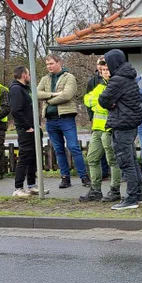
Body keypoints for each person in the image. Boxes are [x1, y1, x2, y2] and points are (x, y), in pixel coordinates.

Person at [98, 49, 142, 210]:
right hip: (130, 123)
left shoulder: (117, 80)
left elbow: (103, 100)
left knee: (125, 162)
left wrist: (112, 103)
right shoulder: (129, 77)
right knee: (132, 160)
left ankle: (131, 198)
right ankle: (138, 194)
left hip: (121, 124)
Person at [36, 53, 89, 189]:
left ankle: (84, 176)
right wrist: (53, 94)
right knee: (58, 150)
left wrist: (48, 100)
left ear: (59, 62)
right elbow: (36, 93)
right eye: (47, 64)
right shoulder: (45, 79)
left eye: (51, 63)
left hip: (66, 118)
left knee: (73, 147)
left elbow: (67, 95)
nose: (49, 66)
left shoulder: (69, 77)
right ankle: (65, 178)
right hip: (50, 120)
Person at [80, 58, 122, 203]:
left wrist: (99, 102)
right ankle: (95, 190)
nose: (105, 72)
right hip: (97, 128)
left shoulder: (115, 85)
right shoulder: (99, 86)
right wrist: (99, 102)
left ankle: (115, 190)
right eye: (103, 70)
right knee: (92, 158)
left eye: (107, 70)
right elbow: (87, 100)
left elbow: (106, 104)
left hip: (109, 128)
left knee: (112, 160)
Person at [8, 66, 44, 198]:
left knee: (33, 157)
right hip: (25, 130)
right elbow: (16, 110)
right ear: (24, 75)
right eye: (28, 74)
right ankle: (18, 188)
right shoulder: (16, 89)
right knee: (24, 158)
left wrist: (37, 125)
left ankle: (31, 185)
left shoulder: (25, 89)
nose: (29, 76)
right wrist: (28, 126)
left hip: (33, 128)